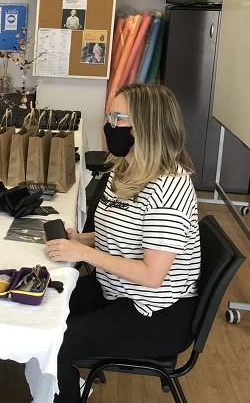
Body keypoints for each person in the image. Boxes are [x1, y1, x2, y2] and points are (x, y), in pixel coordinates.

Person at [46, 83, 201, 403]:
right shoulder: (126, 169)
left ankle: (67, 396)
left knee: (54, 339)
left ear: (146, 126)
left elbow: (151, 274)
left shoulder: (168, 189)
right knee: (43, 309)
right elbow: (122, 236)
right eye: (109, 116)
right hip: (115, 290)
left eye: (118, 118)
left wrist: (84, 252)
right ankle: (64, 389)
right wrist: (82, 239)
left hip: (153, 315)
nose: (108, 125)